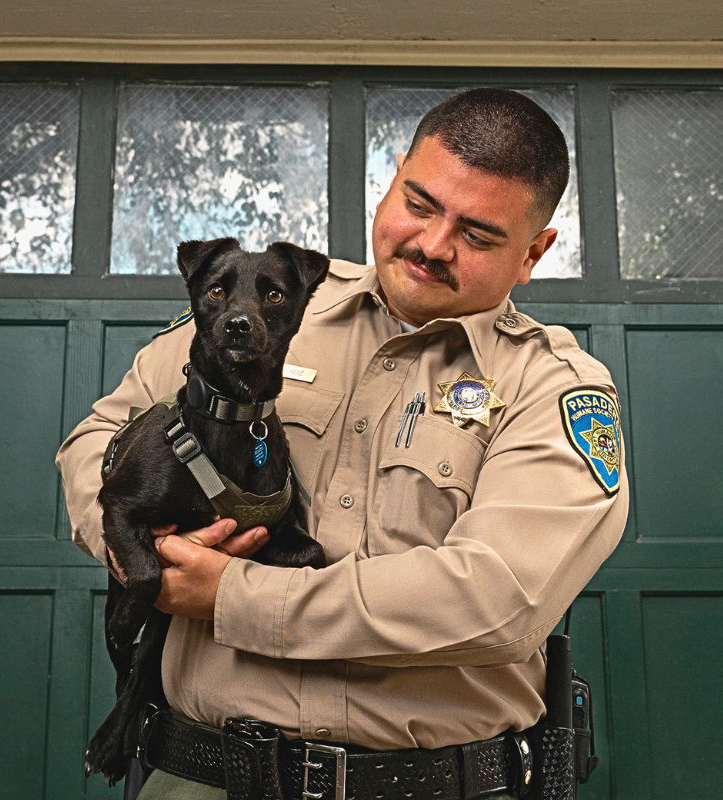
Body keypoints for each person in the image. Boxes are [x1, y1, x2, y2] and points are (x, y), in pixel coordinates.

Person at [56, 88, 628, 800]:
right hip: (203, 776)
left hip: (434, 784)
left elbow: (494, 603)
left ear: (533, 251)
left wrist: (233, 596)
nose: (432, 245)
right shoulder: (270, 302)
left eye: (478, 235)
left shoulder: (552, 385)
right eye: (418, 204)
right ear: (393, 177)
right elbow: (99, 440)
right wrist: (147, 554)